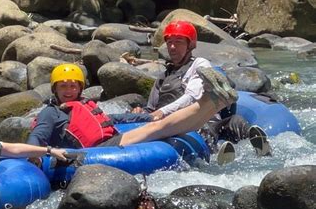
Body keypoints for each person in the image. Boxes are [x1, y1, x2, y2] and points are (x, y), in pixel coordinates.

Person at [131, 21, 270, 163]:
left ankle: (260, 148)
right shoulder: (163, 77)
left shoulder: (199, 65)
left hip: (201, 120)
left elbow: (192, 97)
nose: (172, 47)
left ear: (190, 45)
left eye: (178, 42)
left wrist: (161, 112)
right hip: (171, 125)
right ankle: (217, 155)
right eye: (169, 42)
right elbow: (151, 109)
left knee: (235, 121)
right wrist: (141, 112)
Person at [27, 63, 238, 152]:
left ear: (80, 87)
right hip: (95, 152)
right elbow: (38, 136)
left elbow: (112, 120)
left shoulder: (81, 104)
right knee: (160, 128)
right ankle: (208, 101)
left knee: (158, 125)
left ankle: (214, 103)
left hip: (108, 141)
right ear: (54, 89)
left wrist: (145, 117)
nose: (68, 90)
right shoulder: (51, 112)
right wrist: (34, 155)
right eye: (63, 87)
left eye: (73, 86)